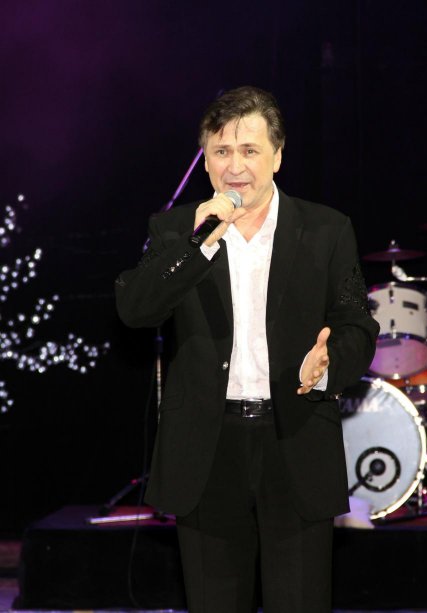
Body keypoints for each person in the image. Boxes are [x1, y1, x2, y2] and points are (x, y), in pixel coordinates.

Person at [115, 85, 379, 613]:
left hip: (296, 439)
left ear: (277, 156)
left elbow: (356, 325)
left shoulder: (326, 229)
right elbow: (135, 309)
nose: (235, 167)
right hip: (206, 449)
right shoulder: (176, 230)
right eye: (221, 151)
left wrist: (330, 363)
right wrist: (199, 244)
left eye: (249, 150)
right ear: (205, 159)